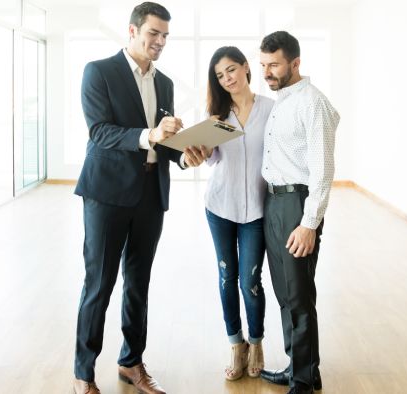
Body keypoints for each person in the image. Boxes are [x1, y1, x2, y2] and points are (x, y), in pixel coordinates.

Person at [72, 3, 207, 394]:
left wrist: (184, 154)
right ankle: (84, 372)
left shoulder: (164, 83)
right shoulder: (98, 72)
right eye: (154, 33)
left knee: (139, 282)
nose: (161, 41)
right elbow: (100, 132)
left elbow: (163, 144)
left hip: (151, 193)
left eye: (166, 35)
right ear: (131, 31)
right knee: (99, 283)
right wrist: (150, 135)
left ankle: (131, 362)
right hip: (106, 195)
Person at [256, 31, 339, 394]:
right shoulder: (281, 101)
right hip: (273, 202)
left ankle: (303, 381)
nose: (267, 72)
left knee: (299, 295)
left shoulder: (313, 103)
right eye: (262, 65)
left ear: (295, 62)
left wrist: (309, 224)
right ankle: (300, 368)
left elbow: (323, 170)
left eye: (273, 65)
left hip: (297, 205)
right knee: (284, 292)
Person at [202, 46, 274, 381]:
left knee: (251, 281)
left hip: (257, 210)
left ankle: (256, 342)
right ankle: (236, 344)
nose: (227, 79)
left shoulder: (271, 110)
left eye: (231, 70)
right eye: (220, 75)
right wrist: (202, 147)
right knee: (227, 278)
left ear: (246, 68)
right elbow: (210, 159)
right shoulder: (217, 115)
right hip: (220, 206)